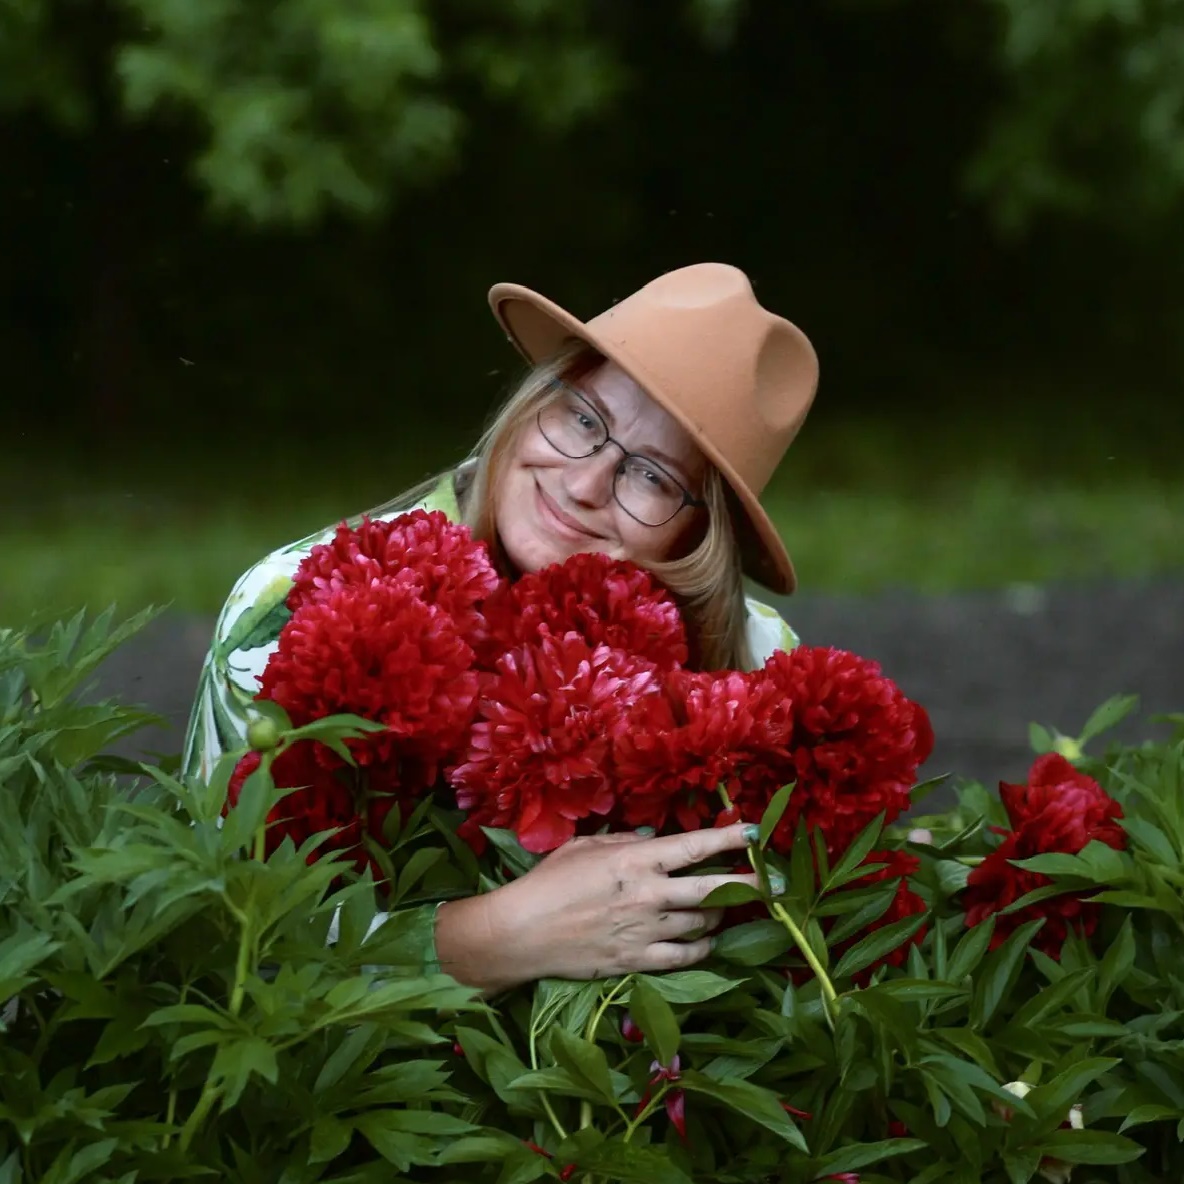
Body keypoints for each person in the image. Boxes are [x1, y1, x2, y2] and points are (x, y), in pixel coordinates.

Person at [182, 262, 820, 994]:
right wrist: (502, 936)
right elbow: (226, 941)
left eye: (652, 475)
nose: (582, 486)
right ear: (536, 398)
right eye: (584, 418)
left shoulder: (759, 660)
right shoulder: (299, 606)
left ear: (699, 536)